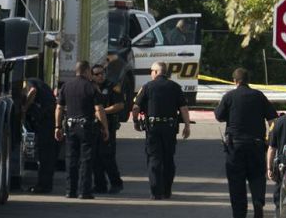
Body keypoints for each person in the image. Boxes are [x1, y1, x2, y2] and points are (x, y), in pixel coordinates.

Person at [215, 68, 278, 218]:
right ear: (248, 80)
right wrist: (270, 139)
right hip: (256, 144)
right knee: (257, 176)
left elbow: (219, 116)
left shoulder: (229, 96)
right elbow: (272, 120)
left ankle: (239, 215)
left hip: (235, 145)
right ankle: (258, 201)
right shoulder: (259, 96)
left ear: (235, 81)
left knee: (236, 180)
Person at [131, 61, 191, 200]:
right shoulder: (175, 87)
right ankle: (167, 190)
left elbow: (135, 108)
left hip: (153, 128)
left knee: (154, 158)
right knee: (168, 159)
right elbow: (183, 108)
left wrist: (135, 122)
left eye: (151, 71)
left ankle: (156, 192)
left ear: (157, 72)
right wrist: (187, 126)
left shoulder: (147, 87)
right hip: (170, 128)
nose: (150, 73)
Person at [55, 61, 109, 199]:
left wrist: (57, 127)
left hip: (70, 126)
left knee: (71, 159)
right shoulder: (91, 87)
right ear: (86, 71)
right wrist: (105, 127)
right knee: (86, 159)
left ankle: (70, 191)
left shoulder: (66, 86)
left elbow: (59, 108)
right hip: (86, 127)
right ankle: (84, 191)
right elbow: (98, 109)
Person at [91, 63, 125, 194]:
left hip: (109, 125)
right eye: (97, 74)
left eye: (102, 73)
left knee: (107, 156)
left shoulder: (113, 86)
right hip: (93, 126)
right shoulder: (90, 87)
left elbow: (120, 105)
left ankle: (116, 183)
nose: (100, 76)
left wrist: (102, 112)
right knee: (95, 157)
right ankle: (100, 185)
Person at [22, 77, 57, 194]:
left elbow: (32, 91)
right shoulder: (41, 85)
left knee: (44, 155)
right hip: (49, 121)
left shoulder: (28, 82)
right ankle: (45, 185)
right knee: (46, 156)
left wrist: (24, 109)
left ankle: (43, 186)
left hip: (46, 122)